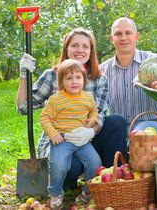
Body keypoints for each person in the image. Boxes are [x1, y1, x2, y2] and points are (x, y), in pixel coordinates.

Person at [17, 28, 127, 190]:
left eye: (85, 46)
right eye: (75, 45)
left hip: (87, 140)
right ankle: (66, 180)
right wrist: (23, 75)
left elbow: (100, 116)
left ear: (91, 51)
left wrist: (90, 131)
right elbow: (23, 108)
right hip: (59, 140)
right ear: (66, 49)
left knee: (117, 122)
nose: (80, 50)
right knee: (72, 165)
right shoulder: (51, 76)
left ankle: (107, 180)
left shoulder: (99, 79)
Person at [40, 59, 101, 209]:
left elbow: (94, 111)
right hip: (63, 139)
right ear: (61, 83)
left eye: (78, 77)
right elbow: (44, 118)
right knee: (58, 164)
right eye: (69, 78)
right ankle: (55, 193)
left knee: (95, 163)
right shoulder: (56, 100)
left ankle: (88, 192)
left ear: (84, 80)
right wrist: (53, 133)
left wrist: (92, 121)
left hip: (82, 140)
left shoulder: (87, 97)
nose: (74, 81)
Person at [100, 17, 157, 131]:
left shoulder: (155, 63)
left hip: (150, 123)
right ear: (112, 38)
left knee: (138, 136)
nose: (123, 38)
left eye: (128, 33)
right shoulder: (102, 70)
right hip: (119, 127)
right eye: (118, 34)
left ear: (136, 36)